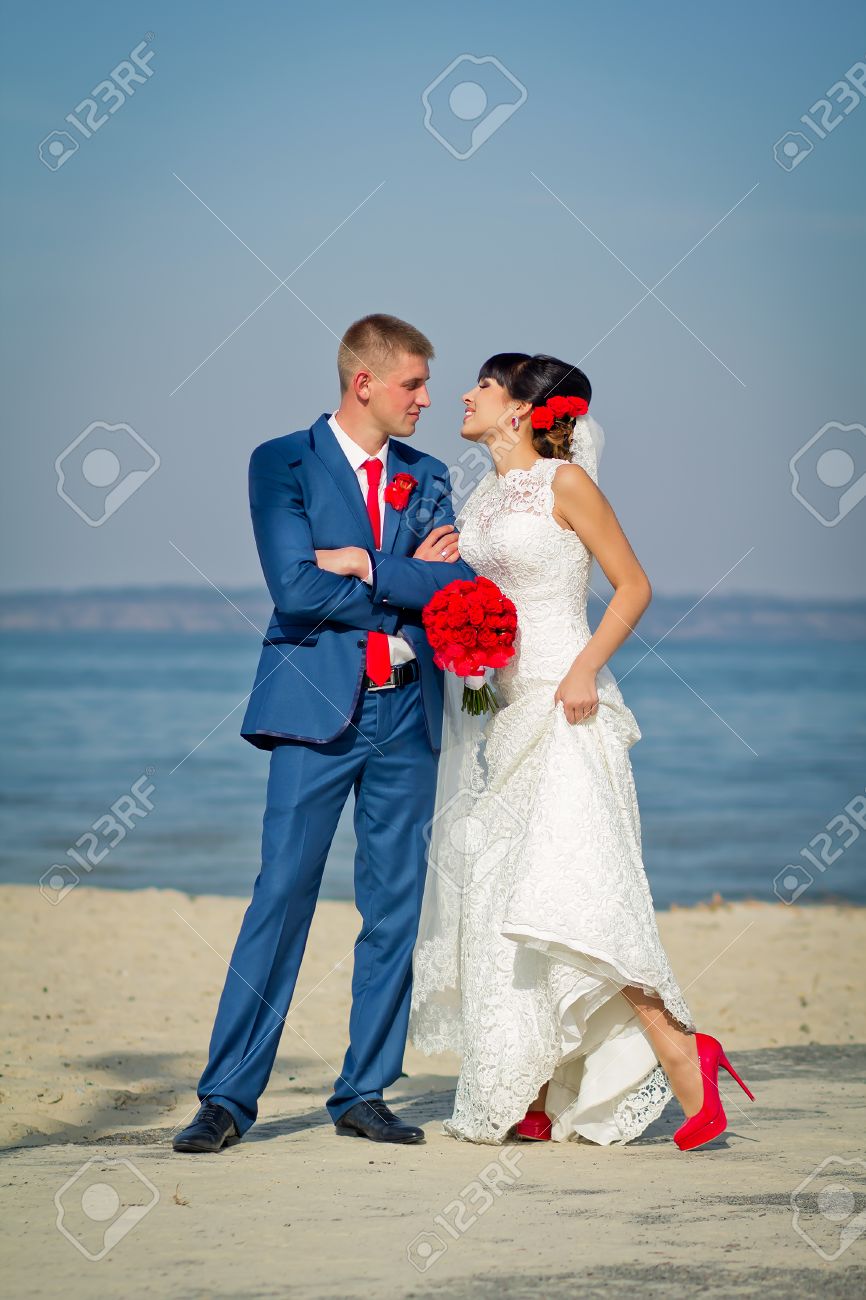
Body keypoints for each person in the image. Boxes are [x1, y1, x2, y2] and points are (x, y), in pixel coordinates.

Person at [409, 353, 754, 1151]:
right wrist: (446, 588)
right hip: (505, 710)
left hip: (570, 709)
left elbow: (633, 585)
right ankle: (536, 1085)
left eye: (484, 387)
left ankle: (685, 1056)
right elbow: (485, 596)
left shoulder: (567, 485)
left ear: (525, 409)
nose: (464, 394)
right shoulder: (485, 495)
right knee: (506, 897)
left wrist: (582, 670)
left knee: (580, 890)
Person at [173, 314, 475, 1153]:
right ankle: (227, 1099)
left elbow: (458, 593)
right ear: (364, 383)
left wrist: (374, 565)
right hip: (315, 712)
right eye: (414, 384)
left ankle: (365, 1092)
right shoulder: (281, 462)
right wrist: (411, 586)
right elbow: (297, 589)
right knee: (281, 895)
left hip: (408, 712)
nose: (428, 398)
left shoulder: (432, 472)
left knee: (394, 908)